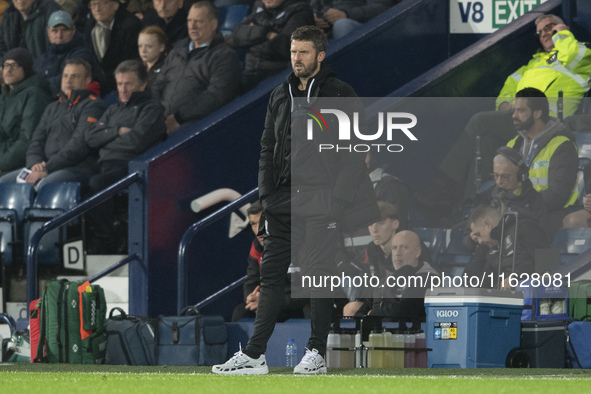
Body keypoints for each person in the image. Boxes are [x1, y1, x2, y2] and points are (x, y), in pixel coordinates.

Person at [212, 25, 378, 375]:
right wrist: (267, 195)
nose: (296, 59)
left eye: (303, 52)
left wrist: (338, 200)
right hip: (282, 199)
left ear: (320, 55)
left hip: (323, 199)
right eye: (292, 52)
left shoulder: (341, 94)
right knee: (270, 275)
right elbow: (266, 149)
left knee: (319, 275)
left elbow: (354, 152)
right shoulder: (279, 94)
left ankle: (316, 352)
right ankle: (256, 354)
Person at [417, 15, 591, 212]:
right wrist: (504, 105)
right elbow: (507, 90)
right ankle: (472, 209)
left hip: (547, 119)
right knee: (485, 143)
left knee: (480, 121)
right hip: (520, 119)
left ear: (563, 28)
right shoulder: (532, 65)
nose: (544, 33)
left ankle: (445, 184)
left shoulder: (582, 54)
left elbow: (572, 52)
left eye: (549, 27)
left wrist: (563, 35)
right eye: (540, 31)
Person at [85, 59, 165, 252]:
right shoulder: (112, 109)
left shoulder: (152, 109)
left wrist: (107, 139)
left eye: (128, 84)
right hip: (104, 164)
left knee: (97, 184)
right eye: (119, 84)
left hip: (130, 166)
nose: (122, 89)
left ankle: (107, 238)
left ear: (142, 84)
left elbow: (137, 141)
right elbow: (90, 137)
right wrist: (118, 131)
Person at [0, 59, 105, 190]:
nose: (68, 80)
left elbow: (79, 144)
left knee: (45, 186)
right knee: (3, 183)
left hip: (76, 167)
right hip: (45, 166)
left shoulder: (93, 106)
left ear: (87, 80)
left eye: (75, 76)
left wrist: (48, 167)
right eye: (65, 76)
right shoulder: (52, 107)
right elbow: (36, 141)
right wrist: (35, 163)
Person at [151, 1, 241, 134]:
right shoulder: (177, 50)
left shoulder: (224, 57)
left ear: (213, 24)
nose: (192, 26)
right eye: (189, 21)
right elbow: (157, 85)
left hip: (193, 125)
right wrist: (155, 115)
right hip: (160, 119)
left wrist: (179, 117)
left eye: (198, 21)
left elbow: (215, 96)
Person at [506, 88, 578, 236]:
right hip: (518, 212)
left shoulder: (562, 145)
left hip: (551, 213)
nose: (514, 115)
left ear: (537, 113)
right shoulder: (513, 144)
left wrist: (522, 206)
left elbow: (558, 194)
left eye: (520, 111)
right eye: (514, 110)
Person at [232, 201, 310, 322]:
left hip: (297, 303)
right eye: (253, 224)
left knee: (311, 309)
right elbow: (252, 281)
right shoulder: (257, 247)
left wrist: (272, 302)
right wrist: (251, 297)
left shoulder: (302, 244)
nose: (259, 230)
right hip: (273, 302)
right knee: (241, 312)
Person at [228, 0, 314, 92]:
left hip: (278, 75)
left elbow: (286, 47)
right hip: (250, 74)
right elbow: (237, 32)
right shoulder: (261, 8)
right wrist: (265, 34)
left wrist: (250, 41)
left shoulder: (300, 10)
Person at [354, 230, 438, 322]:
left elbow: (403, 311)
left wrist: (372, 315)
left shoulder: (429, 279)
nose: (398, 253)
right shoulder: (384, 280)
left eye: (404, 247)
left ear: (417, 252)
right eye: (394, 248)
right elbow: (360, 313)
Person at [464, 204, 549, 289]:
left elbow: (546, 262)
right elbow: (487, 279)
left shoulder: (524, 226)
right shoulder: (494, 245)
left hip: (529, 294)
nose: (480, 241)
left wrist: (515, 277)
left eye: (479, 235)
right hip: (506, 296)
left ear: (488, 224)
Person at [0, 48, 52, 174]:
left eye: (14, 65)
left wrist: (2, 164)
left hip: (17, 165)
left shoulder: (36, 94)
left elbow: (27, 140)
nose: (8, 70)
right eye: (6, 65)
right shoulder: (5, 96)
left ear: (26, 69)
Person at [84, 0, 142, 96]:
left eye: (103, 3)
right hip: (99, 85)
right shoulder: (90, 26)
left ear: (115, 5)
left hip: (124, 85)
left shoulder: (131, 25)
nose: (97, 8)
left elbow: (130, 61)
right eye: (93, 4)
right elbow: (91, 59)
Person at [34, 10, 95, 97]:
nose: (59, 35)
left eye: (64, 30)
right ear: (48, 32)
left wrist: (40, 85)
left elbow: (64, 81)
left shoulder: (81, 55)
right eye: (55, 31)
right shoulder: (41, 59)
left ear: (73, 30)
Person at [310, 0, 398, 40]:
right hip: (328, 32)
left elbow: (382, 7)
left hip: (367, 29)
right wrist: (314, 18)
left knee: (342, 24)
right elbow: (313, 9)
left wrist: (347, 14)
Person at [138, 25, 168, 89]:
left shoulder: (166, 70)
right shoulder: (138, 68)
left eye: (149, 46)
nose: (143, 51)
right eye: (140, 46)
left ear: (161, 47)